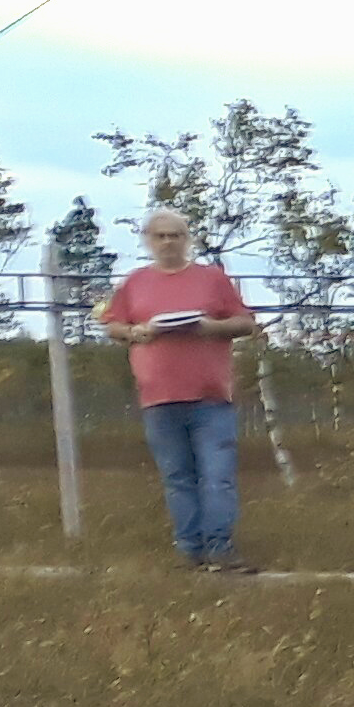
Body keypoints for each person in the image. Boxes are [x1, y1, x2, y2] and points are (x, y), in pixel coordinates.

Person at [99, 207, 261, 570]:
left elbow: (245, 322)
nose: (169, 242)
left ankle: (221, 548)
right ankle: (190, 551)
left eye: (176, 235)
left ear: (187, 239)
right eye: (161, 236)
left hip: (210, 397)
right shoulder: (135, 282)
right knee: (178, 478)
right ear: (148, 241)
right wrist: (135, 332)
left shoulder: (212, 278)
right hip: (159, 397)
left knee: (217, 476)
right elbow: (113, 325)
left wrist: (207, 327)